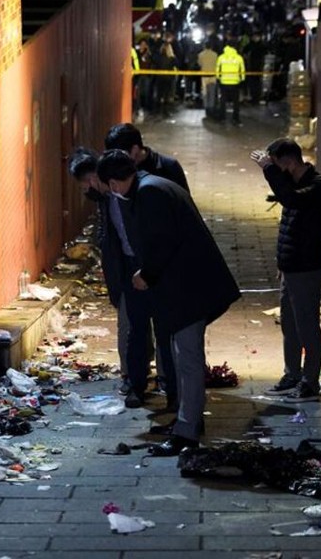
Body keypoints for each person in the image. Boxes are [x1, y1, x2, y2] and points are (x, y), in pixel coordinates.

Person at [96, 149, 241, 456]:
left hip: (187, 288)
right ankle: (186, 422)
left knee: (187, 359)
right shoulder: (152, 185)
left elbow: (162, 241)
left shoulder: (150, 194)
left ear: (113, 182)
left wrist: (145, 274)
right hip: (185, 286)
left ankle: (187, 433)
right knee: (181, 355)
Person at [104, 123, 189, 409]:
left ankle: (173, 388)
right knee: (137, 328)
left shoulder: (163, 172)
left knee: (166, 327)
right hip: (130, 262)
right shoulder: (113, 175)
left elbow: (179, 220)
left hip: (160, 264)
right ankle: (137, 384)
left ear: (137, 151)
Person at [252, 139, 321, 402]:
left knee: (307, 325)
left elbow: (291, 200)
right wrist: (281, 264)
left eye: (277, 165)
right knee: (290, 324)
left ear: (288, 162)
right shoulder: (294, 184)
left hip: (307, 267)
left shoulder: (318, 185)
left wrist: (268, 170)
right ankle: (292, 374)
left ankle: (310, 382)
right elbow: (288, 227)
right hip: (290, 266)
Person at [68, 148, 131, 394]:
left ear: (93, 179)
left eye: (84, 184)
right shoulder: (107, 199)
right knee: (132, 325)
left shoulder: (115, 197)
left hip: (128, 271)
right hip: (123, 270)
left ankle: (132, 377)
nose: (84, 190)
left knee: (129, 326)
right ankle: (136, 374)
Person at [216, 42, 245, 125]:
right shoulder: (239, 57)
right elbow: (242, 70)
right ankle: (235, 118)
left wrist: (218, 78)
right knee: (236, 102)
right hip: (235, 82)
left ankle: (222, 118)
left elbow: (217, 68)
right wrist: (242, 79)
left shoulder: (221, 57)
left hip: (224, 81)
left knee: (223, 101)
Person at [197, 40, 219, 118]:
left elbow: (199, 64)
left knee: (205, 93)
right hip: (213, 76)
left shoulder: (200, 54)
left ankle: (206, 107)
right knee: (212, 93)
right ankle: (211, 107)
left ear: (204, 46)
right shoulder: (215, 55)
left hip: (204, 76)